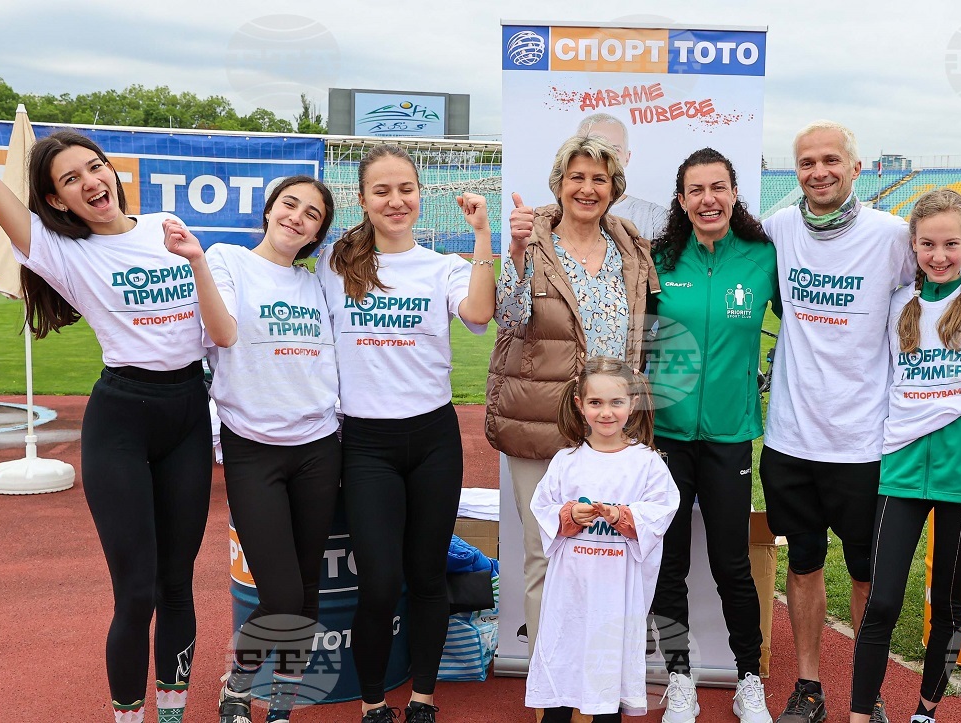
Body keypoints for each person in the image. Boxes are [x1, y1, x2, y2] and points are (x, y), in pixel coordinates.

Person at [0, 78, 213, 723]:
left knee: (178, 586)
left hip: (188, 415)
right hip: (122, 421)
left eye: (95, 167)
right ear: (52, 199)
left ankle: (173, 714)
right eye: (71, 179)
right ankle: (128, 717)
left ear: (112, 171)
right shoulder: (58, 250)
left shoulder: (165, 227)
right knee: (137, 593)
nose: (90, 182)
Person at [317, 145, 496, 723]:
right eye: (382, 191)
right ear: (362, 200)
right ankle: (373, 703)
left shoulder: (442, 266)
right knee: (378, 583)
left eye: (406, 189)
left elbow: (479, 313)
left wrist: (482, 235)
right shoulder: (335, 266)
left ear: (420, 195)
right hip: (366, 444)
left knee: (426, 576)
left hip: (432, 441)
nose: (396, 201)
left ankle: (423, 698)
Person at [162, 177, 340, 723]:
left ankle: (281, 706)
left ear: (317, 234)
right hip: (255, 448)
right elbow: (222, 334)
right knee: (282, 593)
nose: (297, 217)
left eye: (312, 214)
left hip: (319, 445)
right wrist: (196, 261)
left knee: (306, 591)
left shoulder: (316, 281)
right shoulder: (228, 259)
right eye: (290, 204)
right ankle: (237, 686)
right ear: (268, 210)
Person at [759, 121, 916, 723]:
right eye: (806, 162)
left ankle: (866, 694)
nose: (818, 171)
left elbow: (940, 291)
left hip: (863, 442)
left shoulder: (892, 236)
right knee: (802, 565)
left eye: (831, 160)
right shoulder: (778, 228)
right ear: (795, 171)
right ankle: (809, 687)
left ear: (856, 167)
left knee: (865, 575)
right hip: (791, 438)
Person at [849, 190, 961, 723]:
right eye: (927, 244)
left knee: (947, 606)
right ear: (913, 245)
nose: (938, 255)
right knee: (881, 602)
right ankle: (859, 714)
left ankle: (925, 712)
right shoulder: (896, 303)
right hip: (899, 469)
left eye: (950, 244)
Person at [490, 135, 661, 663]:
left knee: (610, 554)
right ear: (559, 184)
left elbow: (647, 333)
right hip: (540, 421)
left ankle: (601, 676)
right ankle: (552, 682)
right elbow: (509, 319)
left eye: (599, 179)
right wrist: (516, 255)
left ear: (615, 188)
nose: (587, 189)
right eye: (577, 177)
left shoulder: (631, 247)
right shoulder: (532, 241)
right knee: (546, 553)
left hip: (609, 429)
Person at [647, 148, 776, 723]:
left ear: (734, 193)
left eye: (718, 187)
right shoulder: (657, 261)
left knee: (731, 564)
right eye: (696, 190)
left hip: (729, 437)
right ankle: (680, 678)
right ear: (681, 200)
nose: (708, 199)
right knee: (668, 564)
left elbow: (808, 324)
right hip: (665, 437)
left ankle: (749, 678)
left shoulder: (762, 258)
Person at [525, 357, 680, 722]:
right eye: (596, 402)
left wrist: (621, 516)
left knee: (608, 678)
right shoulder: (566, 460)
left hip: (616, 595)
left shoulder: (647, 463)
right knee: (562, 666)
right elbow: (543, 506)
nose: (606, 412)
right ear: (580, 405)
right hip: (570, 594)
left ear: (632, 403)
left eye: (616, 402)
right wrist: (569, 515)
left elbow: (662, 510)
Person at [578, 113, 670, 239]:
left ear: (627, 158)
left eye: (614, 150)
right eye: (593, 148)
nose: (605, 157)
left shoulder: (654, 217)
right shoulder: (556, 217)